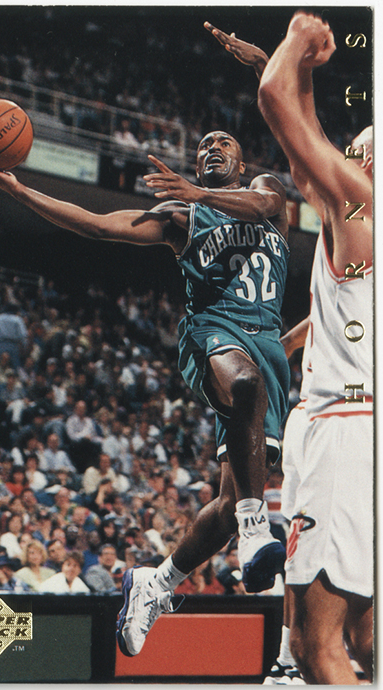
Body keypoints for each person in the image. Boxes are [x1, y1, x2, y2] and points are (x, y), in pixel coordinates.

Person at [0, 116, 291, 653]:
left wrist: (200, 193)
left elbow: (265, 205)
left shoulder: (265, 191)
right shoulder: (182, 217)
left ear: (242, 162)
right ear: (195, 162)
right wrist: (20, 191)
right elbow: (98, 224)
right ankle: (256, 526)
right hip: (215, 332)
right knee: (244, 385)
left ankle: (156, 583)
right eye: (203, 144)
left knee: (227, 504)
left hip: (268, 343)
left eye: (223, 142)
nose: (212, 147)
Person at [225, 11, 372, 684]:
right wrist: (307, 75)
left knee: (318, 647)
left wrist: (297, 41)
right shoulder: (354, 212)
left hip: (345, 432)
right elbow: (306, 156)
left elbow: (274, 101)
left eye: (359, 151)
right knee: (364, 642)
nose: (346, 155)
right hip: (361, 426)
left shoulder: (362, 206)